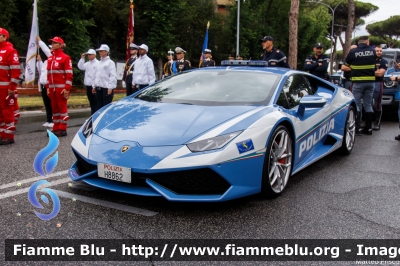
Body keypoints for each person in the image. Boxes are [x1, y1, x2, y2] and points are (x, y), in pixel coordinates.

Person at [342, 36, 376, 135]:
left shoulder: (353, 52)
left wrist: (354, 66)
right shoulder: (373, 51)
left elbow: (346, 64)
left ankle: (356, 128)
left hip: (357, 82)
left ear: (358, 42)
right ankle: (369, 128)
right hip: (370, 82)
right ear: (367, 42)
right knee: (368, 105)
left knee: (357, 104)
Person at [46, 36, 73, 137]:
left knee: (62, 108)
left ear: (61, 45)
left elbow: (69, 74)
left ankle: (62, 128)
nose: (52, 44)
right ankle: (56, 127)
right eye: (52, 43)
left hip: (61, 88)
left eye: (55, 43)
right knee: (55, 108)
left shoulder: (65, 57)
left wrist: (67, 88)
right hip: (52, 88)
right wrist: (48, 87)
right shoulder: (50, 58)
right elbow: (48, 74)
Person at [0, 28, 20, 145]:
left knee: (7, 111)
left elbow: (15, 71)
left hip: (5, 88)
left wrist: (12, 87)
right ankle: (2, 134)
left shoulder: (10, 51)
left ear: (4, 37)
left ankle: (9, 135)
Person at [92, 44, 117, 111]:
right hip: (98, 87)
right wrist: (94, 86)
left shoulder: (110, 63)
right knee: (98, 106)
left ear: (106, 52)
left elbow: (112, 75)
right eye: (99, 51)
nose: (100, 52)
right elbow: (95, 75)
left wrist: (110, 87)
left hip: (106, 88)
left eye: (102, 51)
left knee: (106, 106)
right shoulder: (99, 63)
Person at [36, 36, 53, 127]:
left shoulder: (52, 58)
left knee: (51, 103)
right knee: (46, 103)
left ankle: (53, 120)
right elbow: (41, 70)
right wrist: (39, 61)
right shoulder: (47, 61)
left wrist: (40, 42)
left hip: (49, 85)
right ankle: (49, 120)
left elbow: (46, 50)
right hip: (43, 85)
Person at [78, 48, 98, 115]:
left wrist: (94, 85)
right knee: (91, 102)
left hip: (94, 86)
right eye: (88, 55)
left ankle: (95, 115)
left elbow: (96, 76)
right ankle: (92, 115)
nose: (89, 56)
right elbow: (80, 66)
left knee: (96, 102)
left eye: (90, 55)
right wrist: (82, 58)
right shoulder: (87, 64)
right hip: (88, 85)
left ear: (94, 55)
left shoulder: (97, 63)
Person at [372, 45, 388, 131]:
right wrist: (375, 71)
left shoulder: (383, 62)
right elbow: (376, 72)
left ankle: (377, 123)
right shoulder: (369, 60)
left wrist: (368, 71)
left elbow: (379, 74)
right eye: (377, 51)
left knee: (377, 104)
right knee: (369, 104)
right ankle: (368, 123)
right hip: (369, 83)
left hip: (378, 83)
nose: (379, 52)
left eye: (380, 51)